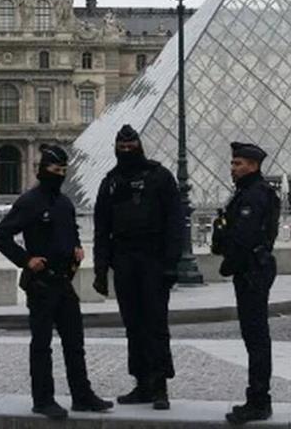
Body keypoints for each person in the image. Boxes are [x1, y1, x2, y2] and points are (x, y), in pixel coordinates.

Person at [0, 145, 112, 420]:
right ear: (42, 170)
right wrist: (25, 260)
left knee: (75, 342)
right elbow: (1, 236)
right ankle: (43, 399)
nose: (59, 175)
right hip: (41, 284)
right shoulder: (29, 201)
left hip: (63, 281)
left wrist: (78, 248)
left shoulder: (65, 202)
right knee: (42, 344)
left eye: (62, 171)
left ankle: (82, 396)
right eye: (54, 170)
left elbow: (71, 231)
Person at [92, 125, 183, 410]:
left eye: (131, 146)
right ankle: (142, 382)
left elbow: (175, 224)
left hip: (153, 258)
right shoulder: (110, 182)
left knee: (156, 323)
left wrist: (171, 264)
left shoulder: (160, 177)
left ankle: (160, 386)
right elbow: (101, 229)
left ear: (140, 146)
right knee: (133, 325)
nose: (127, 151)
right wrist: (100, 270)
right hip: (125, 259)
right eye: (123, 147)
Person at [212, 142, 281, 425]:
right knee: (254, 337)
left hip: (252, 270)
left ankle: (259, 400)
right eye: (232, 163)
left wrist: (228, 263)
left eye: (238, 163)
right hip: (252, 268)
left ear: (253, 166)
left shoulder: (253, 196)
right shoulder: (248, 193)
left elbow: (243, 238)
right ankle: (257, 397)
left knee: (256, 338)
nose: (233, 168)